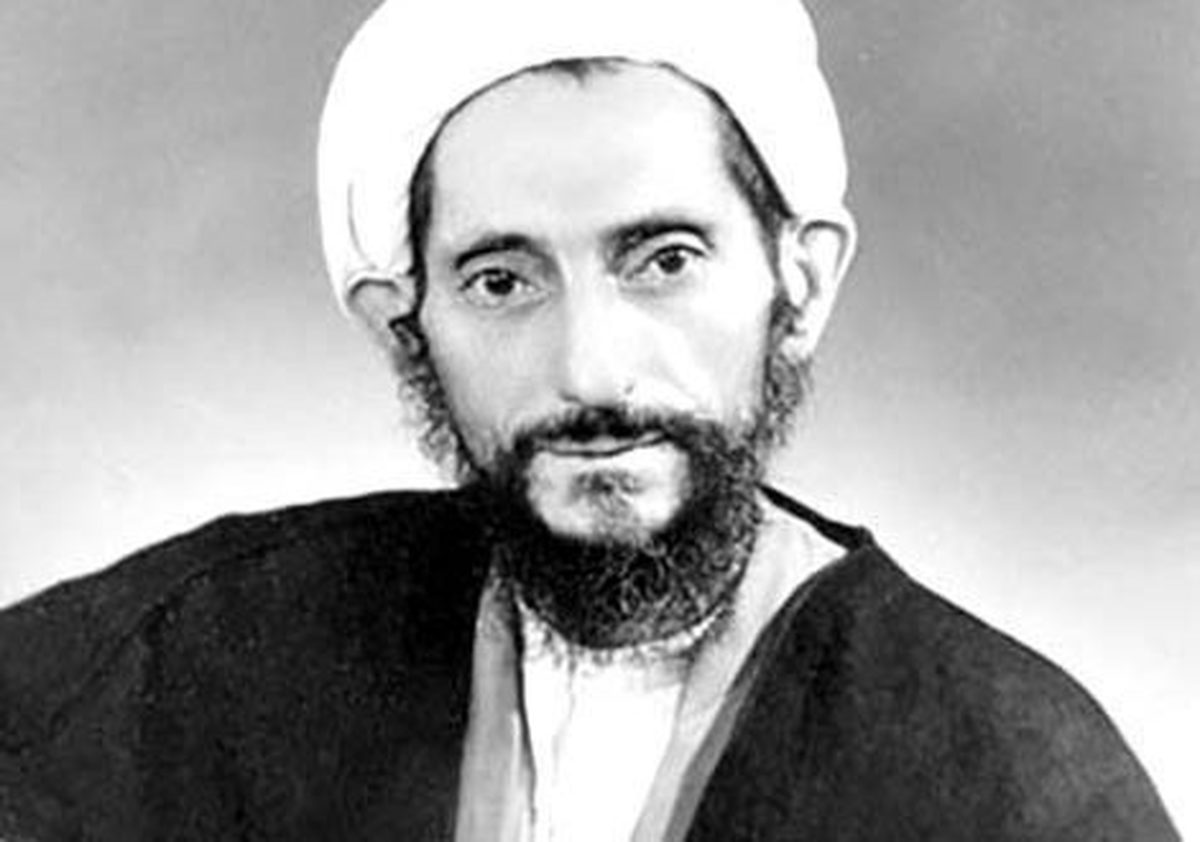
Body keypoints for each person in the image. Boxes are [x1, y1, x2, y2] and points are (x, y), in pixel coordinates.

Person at [0, 0, 1179, 838]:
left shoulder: (1021, 783)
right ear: (404, 327)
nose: (590, 368)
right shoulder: (187, 661)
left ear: (801, 281)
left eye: (662, 260)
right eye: (502, 280)